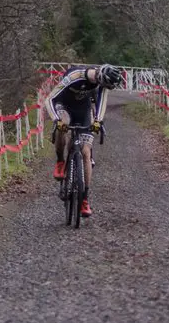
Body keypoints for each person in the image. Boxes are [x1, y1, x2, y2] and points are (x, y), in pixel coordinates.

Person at [45, 63, 122, 217]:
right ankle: (60, 161)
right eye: (103, 84)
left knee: (86, 152)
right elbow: (49, 99)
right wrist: (55, 119)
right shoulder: (75, 76)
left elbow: (101, 104)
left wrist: (98, 122)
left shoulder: (103, 84)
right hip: (64, 105)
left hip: (83, 110)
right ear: (100, 77)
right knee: (63, 124)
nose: (103, 87)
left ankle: (84, 198)